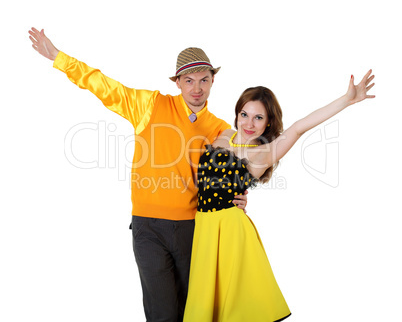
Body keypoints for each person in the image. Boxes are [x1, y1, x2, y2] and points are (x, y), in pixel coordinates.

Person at [28, 27, 248, 322]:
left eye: (204, 80)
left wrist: (239, 197)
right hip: (148, 229)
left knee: (193, 312)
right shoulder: (150, 105)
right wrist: (57, 56)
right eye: (189, 80)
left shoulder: (219, 128)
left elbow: (235, 171)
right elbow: (103, 85)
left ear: (212, 81)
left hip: (192, 229)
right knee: (161, 313)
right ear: (178, 82)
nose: (197, 88)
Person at [183, 73, 375, 321]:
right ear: (237, 114)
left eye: (258, 117)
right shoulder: (223, 135)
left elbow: (298, 128)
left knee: (232, 309)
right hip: (203, 229)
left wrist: (346, 99)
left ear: (268, 124)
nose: (249, 123)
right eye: (245, 114)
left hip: (229, 232)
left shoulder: (260, 154)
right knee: (203, 306)